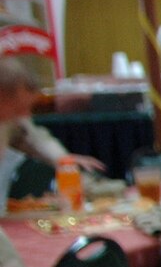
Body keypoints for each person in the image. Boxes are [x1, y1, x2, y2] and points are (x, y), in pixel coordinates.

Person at [0, 57, 104, 190]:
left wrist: (64, 159)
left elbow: (35, 137)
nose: (25, 115)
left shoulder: (11, 120)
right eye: (18, 108)